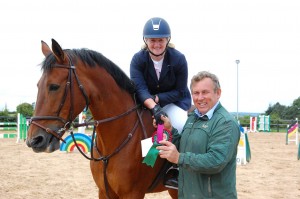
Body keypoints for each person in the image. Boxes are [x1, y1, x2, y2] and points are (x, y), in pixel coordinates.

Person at [156, 71, 241, 198]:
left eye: (205, 92)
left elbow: (216, 161)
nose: (200, 98)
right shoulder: (192, 118)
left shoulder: (226, 123)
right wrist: (170, 129)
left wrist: (179, 158)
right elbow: (184, 146)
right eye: (196, 93)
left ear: (218, 93)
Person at [130, 17, 191, 133]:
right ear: (146, 40)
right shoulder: (137, 59)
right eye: (152, 40)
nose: (157, 45)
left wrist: (158, 98)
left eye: (161, 40)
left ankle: (180, 150)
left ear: (167, 40)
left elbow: (180, 91)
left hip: (174, 102)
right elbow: (140, 88)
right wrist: (154, 107)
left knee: (180, 125)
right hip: (146, 103)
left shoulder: (179, 59)